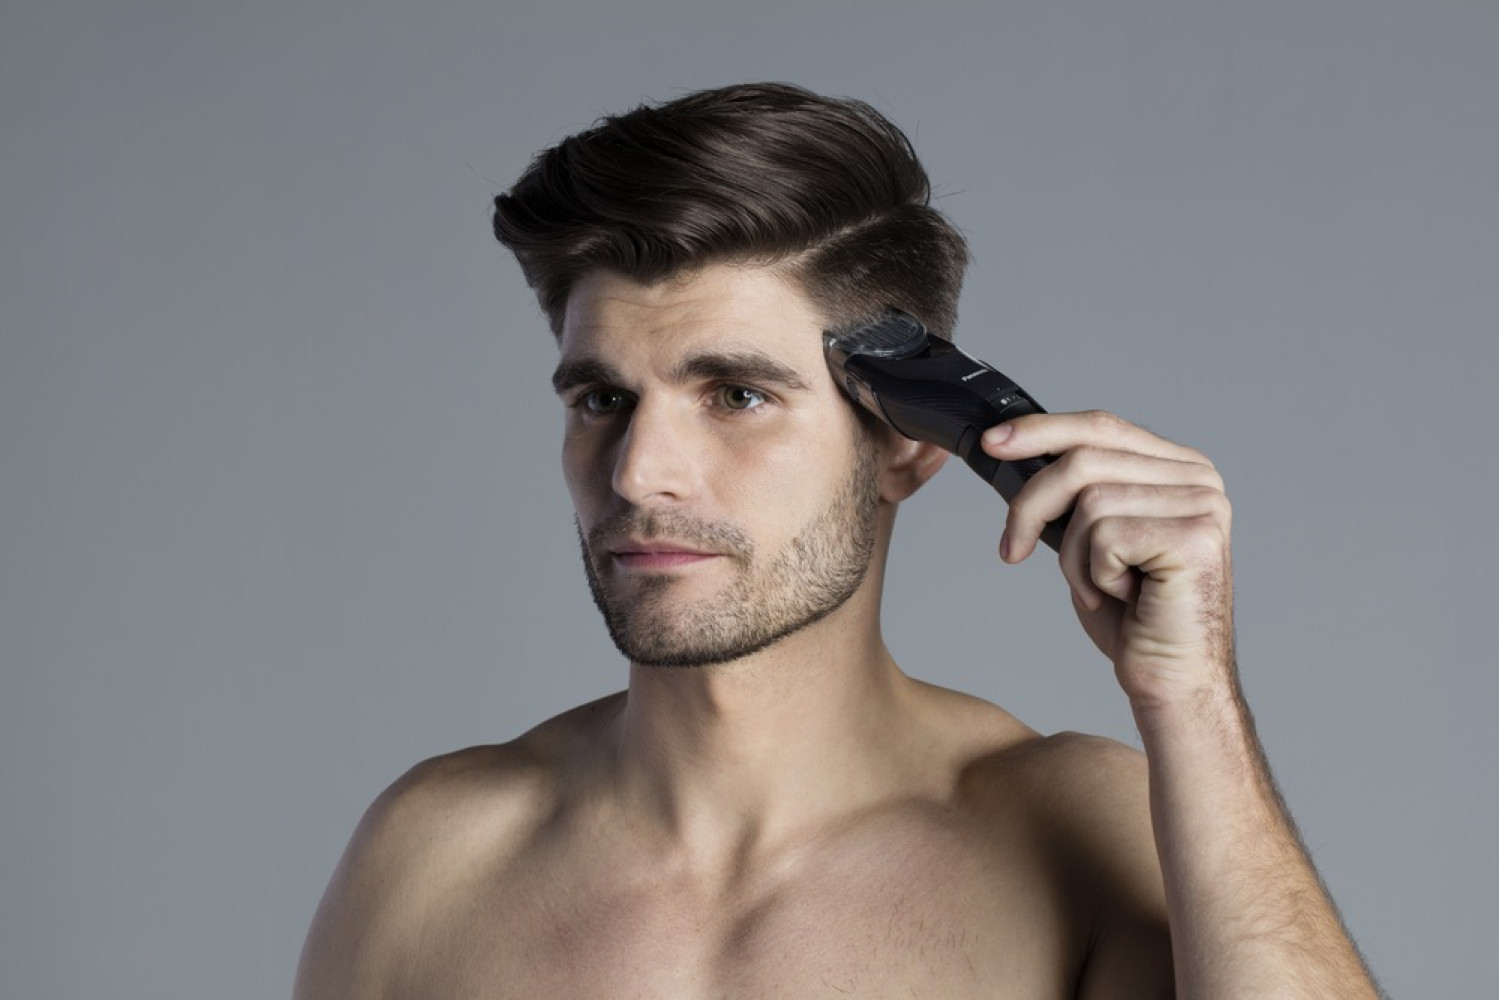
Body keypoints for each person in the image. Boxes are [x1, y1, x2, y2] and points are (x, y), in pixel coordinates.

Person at [295, 82, 1382, 998]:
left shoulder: (1076, 833)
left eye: (735, 395)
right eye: (601, 400)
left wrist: (1190, 699)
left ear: (910, 443)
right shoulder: (436, 856)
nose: (636, 473)